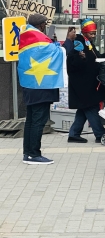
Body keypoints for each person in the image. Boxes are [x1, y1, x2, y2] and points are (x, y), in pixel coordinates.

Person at [18, 14, 62, 165]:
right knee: (38, 120)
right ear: (42, 25)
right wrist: (60, 43)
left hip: (30, 84)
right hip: (40, 86)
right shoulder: (39, 39)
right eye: (45, 24)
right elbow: (56, 53)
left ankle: (28, 153)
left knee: (31, 120)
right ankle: (34, 154)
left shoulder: (26, 35)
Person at [66, 19, 105, 143]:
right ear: (85, 32)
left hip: (88, 82)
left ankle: (74, 133)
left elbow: (95, 57)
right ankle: (100, 134)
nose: (93, 36)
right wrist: (81, 58)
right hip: (82, 83)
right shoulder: (78, 43)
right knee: (90, 106)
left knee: (84, 108)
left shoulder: (88, 42)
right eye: (91, 33)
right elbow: (73, 61)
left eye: (95, 33)